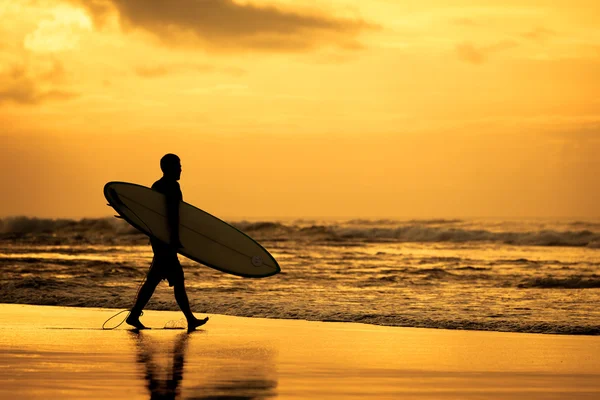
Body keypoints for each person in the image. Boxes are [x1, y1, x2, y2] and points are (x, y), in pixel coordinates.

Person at [126, 153, 208, 331]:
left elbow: (152, 215)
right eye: (177, 165)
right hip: (166, 240)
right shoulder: (171, 186)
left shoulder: (157, 186)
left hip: (159, 238)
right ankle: (190, 319)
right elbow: (173, 215)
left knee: (157, 279)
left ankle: (134, 315)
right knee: (175, 279)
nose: (180, 168)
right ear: (168, 168)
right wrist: (174, 238)